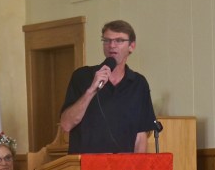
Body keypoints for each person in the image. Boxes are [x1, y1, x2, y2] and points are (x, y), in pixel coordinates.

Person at [60, 19, 156, 154]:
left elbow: (140, 136)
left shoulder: (138, 83)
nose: (112, 45)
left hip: (124, 169)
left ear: (131, 46)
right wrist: (91, 89)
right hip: (86, 166)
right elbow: (66, 124)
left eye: (119, 40)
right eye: (106, 40)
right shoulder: (82, 76)